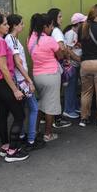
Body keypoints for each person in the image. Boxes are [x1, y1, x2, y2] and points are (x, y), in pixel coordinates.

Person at [0, 13, 29, 163]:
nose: (8, 26)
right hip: (3, 82)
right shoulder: (0, 42)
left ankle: (5, 146)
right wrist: (15, 89)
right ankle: (13, 151)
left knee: (3, 114)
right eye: (4, 24)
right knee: (19, 115)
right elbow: (4, 68)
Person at [5, 14, 45, 151]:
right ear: (15, 26)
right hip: (21, 80)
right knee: (33, 108)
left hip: (18, 79)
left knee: (21, 110)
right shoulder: (12, 39)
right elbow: (17, 62)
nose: (23, 26)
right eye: (21, 23)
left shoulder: (10, 39)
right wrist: (29, 81)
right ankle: (32, 139)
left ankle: (22, 136)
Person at [28, 13, 64, 142]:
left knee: (41, 102)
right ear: (45, 26)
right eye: (51, 26)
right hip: (51, 75)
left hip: (37, 75)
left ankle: (35, 129)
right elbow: (60, 56)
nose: (51, 29)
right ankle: (48, 134)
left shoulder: (31, 39)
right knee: (50, 105)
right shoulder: (49, 40)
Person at [47, 8, 72, 128]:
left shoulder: (51, 31)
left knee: (52, 93)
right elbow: (61, 47)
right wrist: (65, 57)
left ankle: (50, 118)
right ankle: (57, 119)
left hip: (52, 65)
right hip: (58, 64)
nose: (62, 19)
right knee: (57, 92)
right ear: (54, 19)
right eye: (60, 17)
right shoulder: (57, 31)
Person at [62, 13, 86, 119]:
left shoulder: (76, 33)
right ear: (79, 23)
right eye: (83, 22)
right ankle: (68, 109)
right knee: (70, 88)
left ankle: (74, 106)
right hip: (71, 65)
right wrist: (79, 60)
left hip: (75, 64)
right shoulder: (71, 33)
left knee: (74, 87)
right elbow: (68, 51)